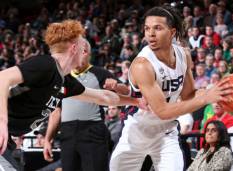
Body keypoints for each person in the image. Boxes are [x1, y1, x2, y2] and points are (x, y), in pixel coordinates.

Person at [0, 20, 140, 170]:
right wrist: (2, 121)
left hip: (9, 142)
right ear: (74, 48)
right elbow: (2, 78)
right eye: (83, 47)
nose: (85, 52)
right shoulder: (46, 64)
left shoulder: (65, 82)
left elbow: (103, 97)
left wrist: (137, 102)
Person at [109, 6, 233, 171]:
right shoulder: (142, 65)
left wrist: (212, 91)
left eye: (157, 28)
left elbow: (189, 95)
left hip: (166, 133)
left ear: (172, 32)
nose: (150, 34)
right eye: (147, 29)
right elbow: (162, 111)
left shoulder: (184, 55)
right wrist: (205, 98)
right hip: (137, 133)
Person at [43, 39, 129, 171]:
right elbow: (56, 112)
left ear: (85, 53)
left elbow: (127, 92)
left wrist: (117, 86)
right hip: (67, 133)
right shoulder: (61, 78)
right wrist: (48, 139)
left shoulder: (100, 73)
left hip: (92, 130)